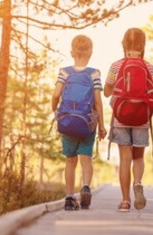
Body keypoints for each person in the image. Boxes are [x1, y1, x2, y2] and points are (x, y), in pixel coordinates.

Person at [105, 28, 153, 212]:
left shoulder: (116, 65)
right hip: (142, 117)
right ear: (143, 45)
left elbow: (107, 91)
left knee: (124, 158)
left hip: (121, 116)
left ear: (124, 44)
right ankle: (137, 182)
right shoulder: (149, 66)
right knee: (138, 157)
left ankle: (125, 201)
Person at [51, 35, 106, 211]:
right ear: (90, 52)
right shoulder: (94, 73)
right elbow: (98, 101)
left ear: (71, 52)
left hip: (67, 121)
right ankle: (86, 187)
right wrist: (102, 125)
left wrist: (55, 111)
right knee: (86, 158)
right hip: (87, 123)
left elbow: (55, 95)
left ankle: (69, 197)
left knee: (70, 160)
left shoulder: (64, 72)